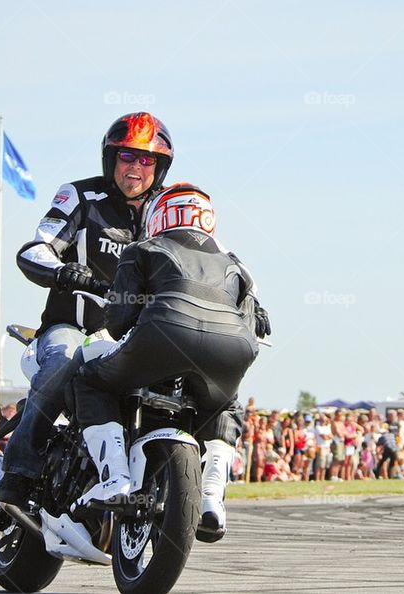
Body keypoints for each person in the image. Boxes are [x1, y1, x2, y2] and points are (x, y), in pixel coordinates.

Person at [68, 183, 270, 544]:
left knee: (89, 379)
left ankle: (114, 478)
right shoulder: (237, 264)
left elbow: (117, 321)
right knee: (227, 406)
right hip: (234, 348)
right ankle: (211, 496)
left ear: (159, 214)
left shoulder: (143, 247)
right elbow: (256, 325)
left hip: (164, 334)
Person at [0, 112, 175, 505]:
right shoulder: (80, 196)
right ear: (111, 159)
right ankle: (19, 471)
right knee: (64, 359)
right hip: (72, 327)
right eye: (128, 157)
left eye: (147, 160)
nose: (136, 168)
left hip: (131, 336)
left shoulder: (166, 214)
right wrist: (68, 273)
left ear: (159, 168)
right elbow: (35, 249)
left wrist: (236, 293)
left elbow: (201, 257)